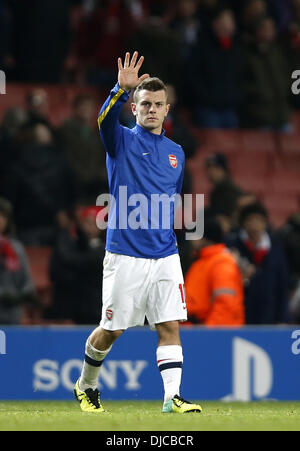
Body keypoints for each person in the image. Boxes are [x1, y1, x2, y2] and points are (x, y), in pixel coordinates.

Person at [74, 51, 202, 414]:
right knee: (111, 331)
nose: (151, 110)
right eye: (144, 103)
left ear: (167, 109)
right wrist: (119, 89)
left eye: (158, 105)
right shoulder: (120, 141)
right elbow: (102, 121)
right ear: (134, 108)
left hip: (164, 254)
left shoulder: (177, 153)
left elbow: (170, 202)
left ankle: (171, 398)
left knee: (169, 325)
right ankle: (86, 385)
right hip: (124, 253)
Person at [227, 202, 290, 324]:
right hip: (240, 313)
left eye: (259, 221)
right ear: (243, 223)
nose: (255, 225)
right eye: (251, 220)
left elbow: (282, 285)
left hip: (269, 314)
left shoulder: (275, 247)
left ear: (265, 223)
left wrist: (283, 318)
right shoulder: (232, 246)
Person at [185, 217, 245, 326]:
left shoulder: (221, 263)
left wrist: (208, 334)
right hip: (195, 331)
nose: (190, 240)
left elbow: (225, 306)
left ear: (205, 238)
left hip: (210, 335)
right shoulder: (201, 262)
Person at [0, 197, 38, 324]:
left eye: (3, 216)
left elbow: (27, 280)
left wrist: (22, 295)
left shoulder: (16, 247)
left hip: (12, 311)